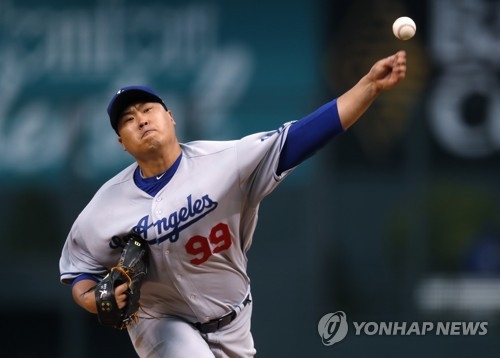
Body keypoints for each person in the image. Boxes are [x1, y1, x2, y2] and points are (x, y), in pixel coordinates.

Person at [59, 50, 407, 357]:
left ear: (170, 117)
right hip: (160, 322)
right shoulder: (103, 207)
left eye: (148, 109)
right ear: (122, 142)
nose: (141, 119)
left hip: (234, 317)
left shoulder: (225, 162)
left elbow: (302, 137)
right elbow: (79, 270)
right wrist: (91, 299)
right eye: (128, 120)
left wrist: (369, 87)